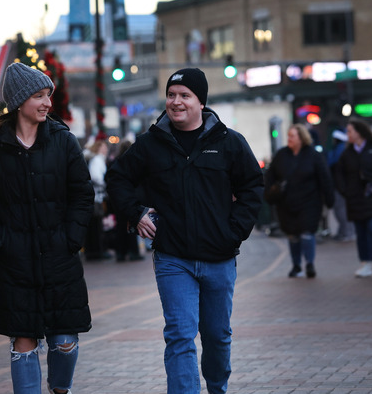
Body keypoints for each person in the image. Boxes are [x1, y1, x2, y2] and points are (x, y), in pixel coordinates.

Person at [106, 68, 263, 393]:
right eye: (171, 95)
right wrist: (135, 213)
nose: (175, 102)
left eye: (184, 95)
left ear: (200, 102)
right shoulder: (150, 144)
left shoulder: (229, 142)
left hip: (219, 257)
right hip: (173, 258)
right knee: (179, 333)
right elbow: (117, 178)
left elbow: (252, 186)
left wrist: (234, 231)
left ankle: (217, 388)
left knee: (217, 336)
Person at [0, 62, 93, 394]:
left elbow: (83, 194)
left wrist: (71, 238)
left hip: (59, 258)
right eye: (38, 96)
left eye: (48, 95)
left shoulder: (64, 142)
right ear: (19, 101)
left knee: (65, 341)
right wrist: (0, 241)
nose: (47, 103)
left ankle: (59, 388)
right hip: (15, 261)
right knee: (23, 340)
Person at [265, 124, 334, 278]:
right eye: (288, 135)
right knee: (292, 235)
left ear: (301, 138)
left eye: (292, 136)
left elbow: (324, 178)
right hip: (286, 204)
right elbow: (270, 177)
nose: (289, 138)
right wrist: (269, 192)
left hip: (310, 202)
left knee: (307, 233)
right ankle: (296, 265)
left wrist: (329, 199)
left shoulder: (313, 155)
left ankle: (309, 263)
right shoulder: (282, 155)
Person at [333, 118, 372, 278]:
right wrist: (345, 191)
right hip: (355, 198)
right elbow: (339, 173)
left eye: (350, 131)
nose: (348, 134)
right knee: (361, 231)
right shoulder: (347, 153)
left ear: (358, 132)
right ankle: (365, 262)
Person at [105, 139, 144, 261]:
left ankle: (120, 252)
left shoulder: (114, 163)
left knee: (120, 227)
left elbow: (109, 179)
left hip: (117, 200)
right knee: (133, 224)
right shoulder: (134, 162)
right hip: (132, 198)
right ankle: (133, 251)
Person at [84, 139, 111, 260]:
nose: (106, 150)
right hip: (97, 197)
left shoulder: (97, 160)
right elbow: (95, 176)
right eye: (103, 147)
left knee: (96, 225)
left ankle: (95, 250)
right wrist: (105, 184)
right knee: (96, 225)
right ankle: (96, 251)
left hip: (97, 196)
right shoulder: (98, 160)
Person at [327, 128, 355, 241]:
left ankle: (347, 232)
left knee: (340, 210)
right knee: (341, 209)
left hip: (339, 185)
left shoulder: (339, 151)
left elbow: (333, 165)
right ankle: (344, 231)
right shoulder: (343, 149)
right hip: (340, 185)